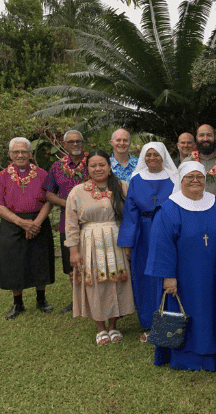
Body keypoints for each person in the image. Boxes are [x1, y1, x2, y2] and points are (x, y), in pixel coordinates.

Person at [145, 161, 216, 370]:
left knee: (210, 313)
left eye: (200, 177)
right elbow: (161, 245)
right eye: (190, 177)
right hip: (183, 277)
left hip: (214, 275)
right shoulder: (169, 209)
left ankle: (213, 355)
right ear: (181, 180)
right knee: (185, 313)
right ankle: (184, 358)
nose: (195, 180)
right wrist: (168, 276)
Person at [64, 150, 134, 345]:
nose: (98, 169)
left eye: (102, 164)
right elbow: (70, 225)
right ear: (87, 169)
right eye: (93, 165)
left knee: (116, 281)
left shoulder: (122, 187)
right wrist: (74, 251)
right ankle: (100, 327)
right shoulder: (77, 192)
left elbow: (130, 218)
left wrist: (128, 244)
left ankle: (113, 326)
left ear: (109, 166)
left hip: (116, 241)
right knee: (95, 282)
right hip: (90, 243)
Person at [117, 142, 179, 342]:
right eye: (148, 155)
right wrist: (128, 242)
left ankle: (167, 322)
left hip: (168, 231)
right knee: (145, 278)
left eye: (156, 155)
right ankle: (148, 324)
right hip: (143, 233)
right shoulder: (136, 180)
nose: (152, 158)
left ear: (163, 156)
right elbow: (130, 212)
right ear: (143, 157)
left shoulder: (174, 178)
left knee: (167, 274)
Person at [0, 138, 54, 320]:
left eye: (24, 152)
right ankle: (18, 303)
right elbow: (0, 205)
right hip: (12, 222)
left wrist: (36, 223)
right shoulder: (2, 176)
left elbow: (49, 199)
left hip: (38, 220)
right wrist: (21, 223)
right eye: (16, 152)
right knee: (14, 262)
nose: (20, 155)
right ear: (10, 154)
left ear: (31, 154)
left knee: (39, 259)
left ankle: (41, 299)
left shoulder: (42, 174)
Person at [43, 130, 88, 314]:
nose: (75, 144)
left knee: (93, 260)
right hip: (66, 223)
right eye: (71, 142)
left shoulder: (93, 162)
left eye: (78, 141)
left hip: (90, 222)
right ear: (64, 145)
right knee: (72, 264)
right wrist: (68, 205)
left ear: (83, 143)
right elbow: (48, 194)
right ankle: (77, 299)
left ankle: (94, 296)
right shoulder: (56, 167)